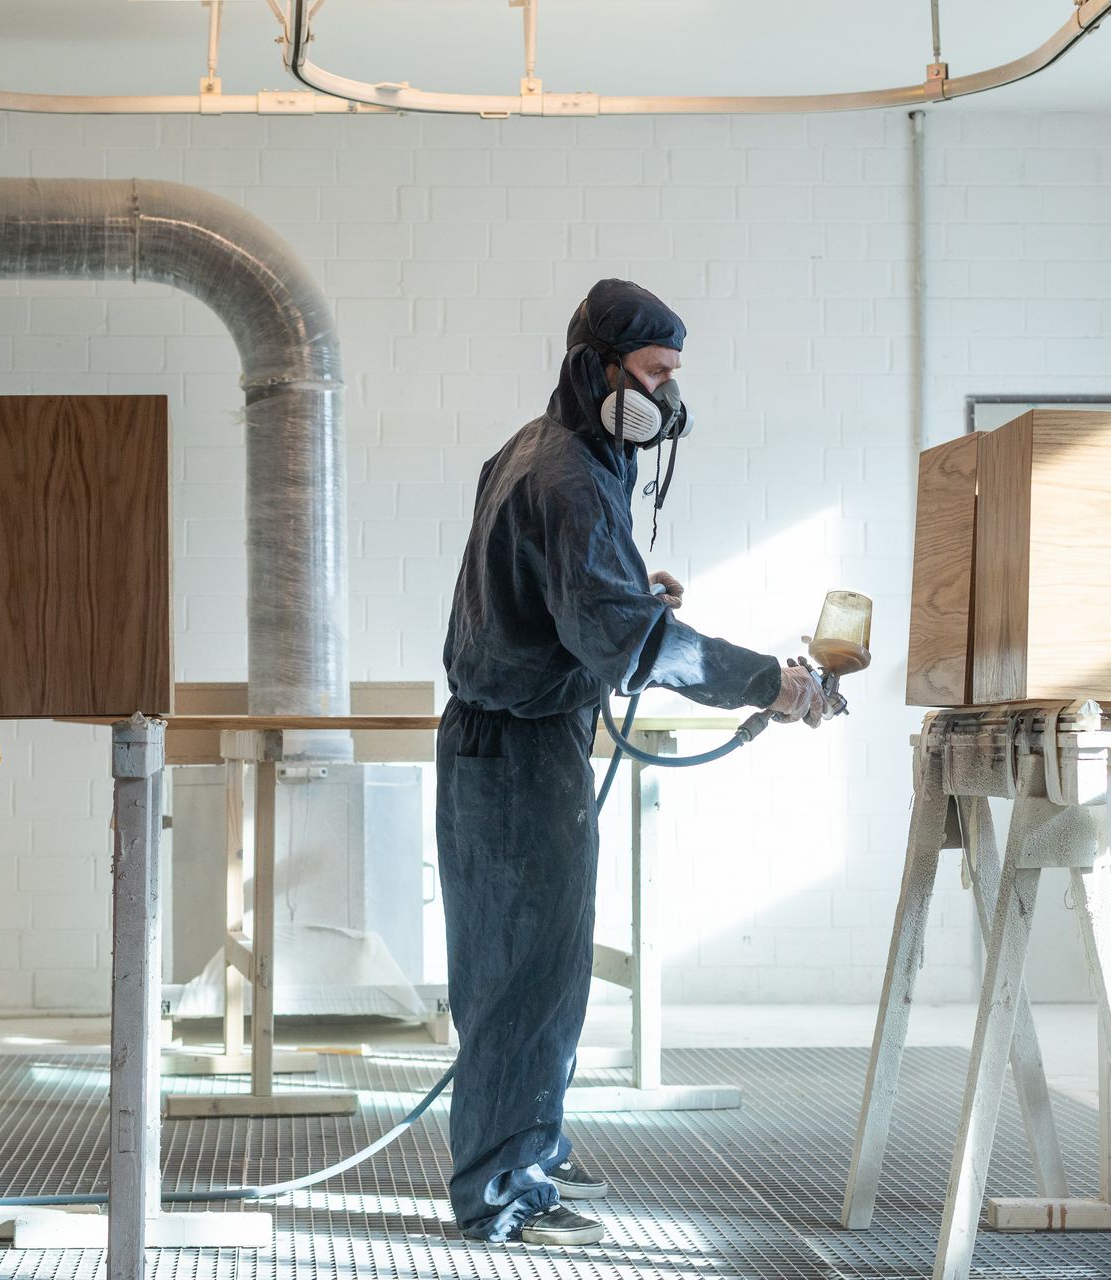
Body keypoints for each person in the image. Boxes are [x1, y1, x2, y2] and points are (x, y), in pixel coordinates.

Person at [435, 278, 827, 1246]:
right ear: (598, 367)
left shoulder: (539, 446)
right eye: (654, 373)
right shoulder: (567, 472)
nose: (667, 397)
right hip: (519, 746)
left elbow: (548, 585)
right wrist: (768, 682)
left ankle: (531, 1147)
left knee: (536, 968)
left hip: (512, 736)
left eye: (673, 376)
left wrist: (620, 581)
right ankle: (505, 1192)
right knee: (526, 975)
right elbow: (631, 648)